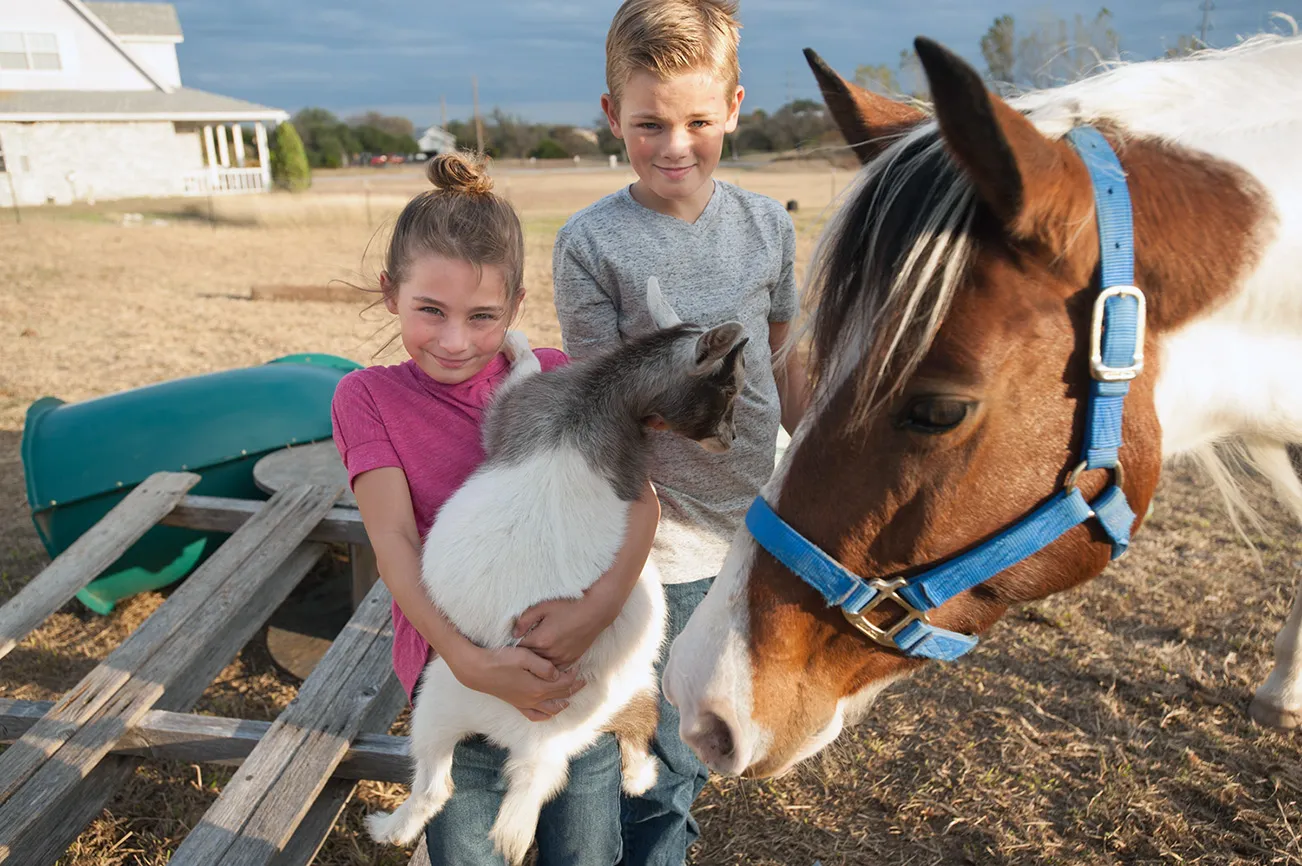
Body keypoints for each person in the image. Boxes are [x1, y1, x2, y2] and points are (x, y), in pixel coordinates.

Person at [331, 150, 661, 865]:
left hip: (578, 676)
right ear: (392, 293)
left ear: (514, 307)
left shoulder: (552, 376)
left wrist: (596, 611)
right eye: (430, 311)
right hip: (459, 678)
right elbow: (392, 541)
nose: (455, 340)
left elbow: (641, 505)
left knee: (585, 851)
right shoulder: (367, 399)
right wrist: (468, 661)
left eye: (482, 317)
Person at [551, 1, 810, 863]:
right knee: (652, 741)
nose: (674, 145)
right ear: (610, 116)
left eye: (698, 121)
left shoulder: (767, 225)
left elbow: (784, 364)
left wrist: (814, 469)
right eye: (649, 123)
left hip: (754, 530)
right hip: (658, 544)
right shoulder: (592, 243)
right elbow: (602, 407)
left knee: (704, 731)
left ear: (734, 107)